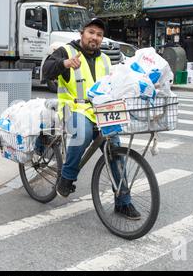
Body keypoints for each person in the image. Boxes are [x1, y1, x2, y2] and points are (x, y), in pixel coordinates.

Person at [42, 18, 141, 220]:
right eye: (91, 32)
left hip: (102, 110)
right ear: (82, 33)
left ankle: (123, 202)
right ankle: (66, 179)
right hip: (73, 107)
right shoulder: (66, 51)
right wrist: (65, 64)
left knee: (116, 150)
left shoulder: (105, 59)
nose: (95, 37)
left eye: (99, 34)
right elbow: (46, 71)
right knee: (84, 133)